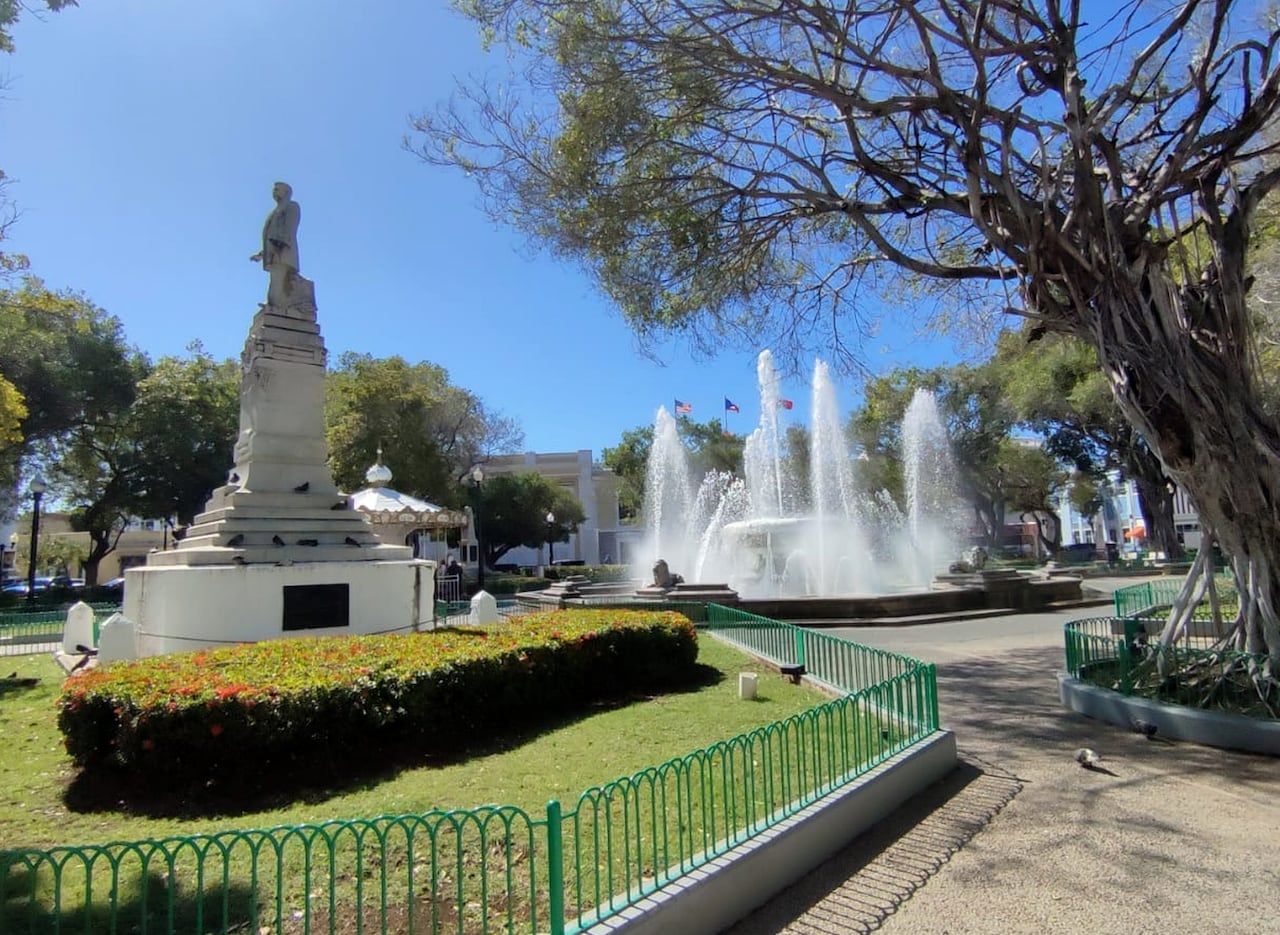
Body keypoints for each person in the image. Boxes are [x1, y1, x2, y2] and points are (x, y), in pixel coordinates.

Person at [249, 181, 301, 307]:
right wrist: (262, 253)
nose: (274, 191)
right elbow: (271, 234)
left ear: (286, 192)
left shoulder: (292, 206)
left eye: (278, 189)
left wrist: (280, 246)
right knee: (276, 278)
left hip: (283, 250)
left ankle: (276, 305)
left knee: (279, 279)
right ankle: (274, 304)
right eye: (274, 189)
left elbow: (289, 228)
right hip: (274, 250)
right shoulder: (275, 211)